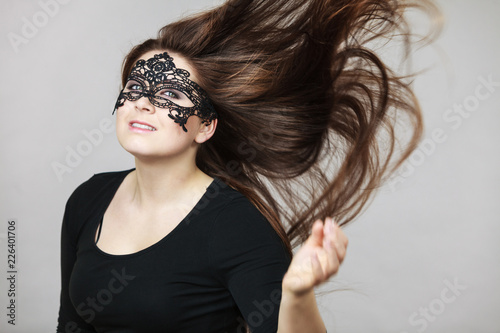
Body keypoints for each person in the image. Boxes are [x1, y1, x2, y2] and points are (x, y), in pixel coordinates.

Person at [56, 0, 440, 332]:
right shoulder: (88, 200)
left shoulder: (237, 226)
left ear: (205, 126)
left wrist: (297, 293)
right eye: (135, 87)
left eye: (170, 93)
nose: (143, 101)